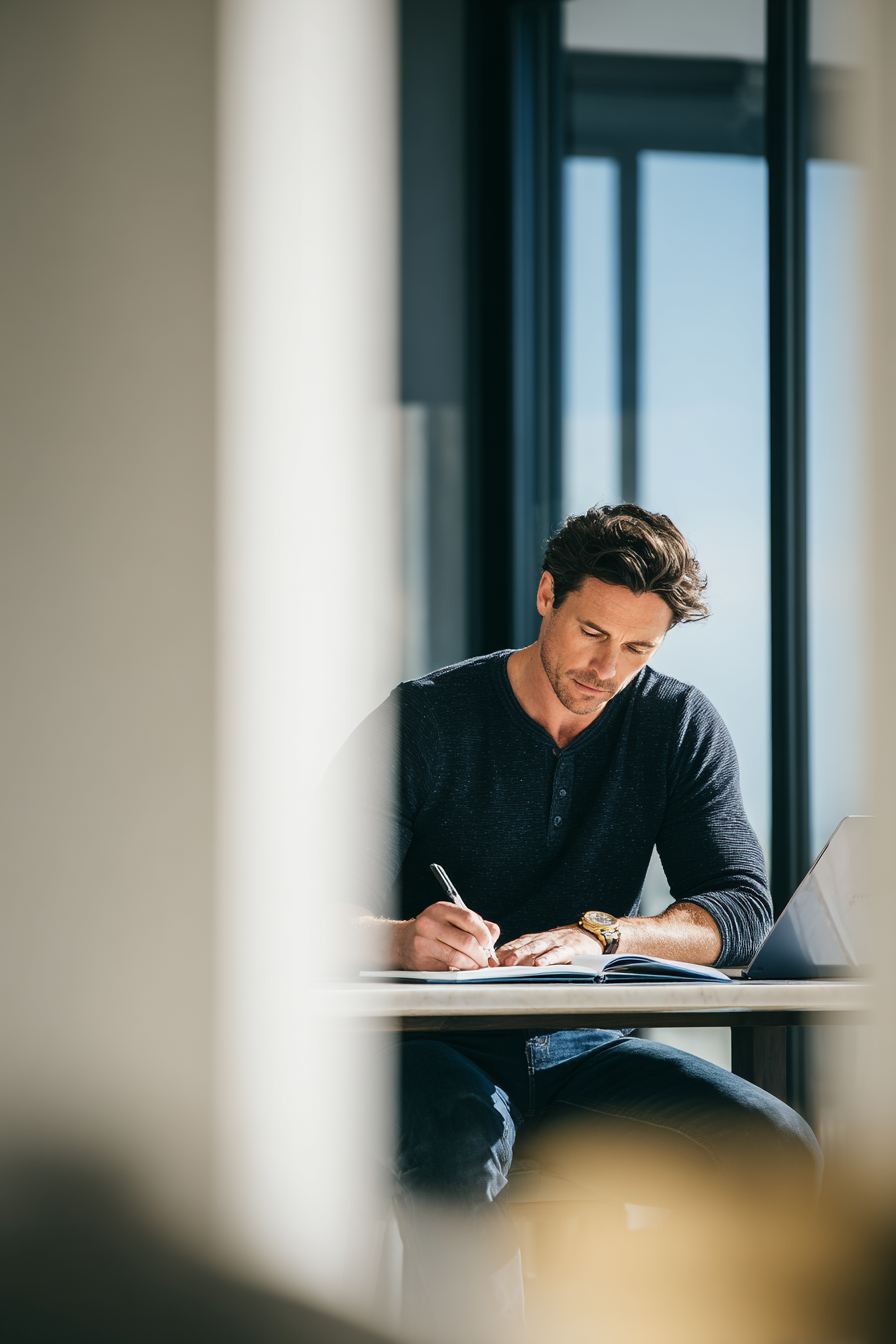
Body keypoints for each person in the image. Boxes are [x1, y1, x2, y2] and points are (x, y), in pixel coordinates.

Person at [335, 504, 821, 1340]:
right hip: (426, 1050)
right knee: (458, 1142)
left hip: (582, 1049)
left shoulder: (675, 724)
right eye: (593, 632)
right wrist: (400, 937)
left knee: (775, 1145)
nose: (606, 668)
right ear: (546, 595)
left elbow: (740, 907)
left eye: (638, 649)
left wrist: (605, 934)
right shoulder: (425, 718)